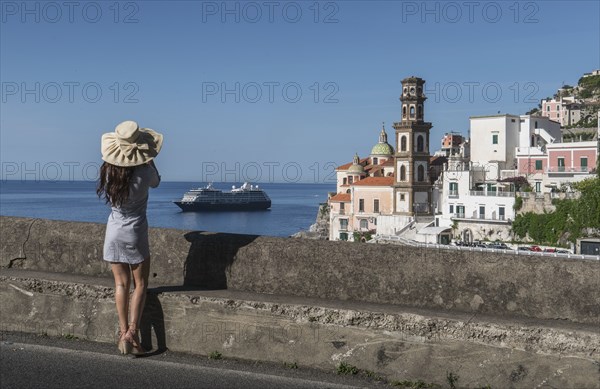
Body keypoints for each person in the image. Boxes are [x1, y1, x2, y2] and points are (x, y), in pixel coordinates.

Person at [97, 120, 163, 355]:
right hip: (135, 232)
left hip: (113, 231)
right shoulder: (145, 173)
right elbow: (157, 182)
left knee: (120, 284)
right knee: (141, 284)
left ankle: (121, 331)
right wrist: (149, 159)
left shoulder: (109, 172)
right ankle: (132, 333)